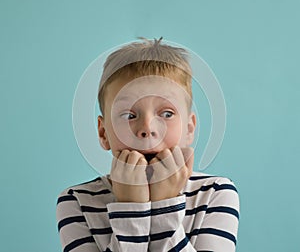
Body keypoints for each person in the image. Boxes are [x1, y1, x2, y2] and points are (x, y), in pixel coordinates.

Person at [56, 37, 240, 252]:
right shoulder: (77, 201)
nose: (147, 128)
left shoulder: (214, 193)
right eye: (129, 115)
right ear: (103, 132)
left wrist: (165, 203)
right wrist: (131, 208)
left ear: (189, 129)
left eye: (167, 113)